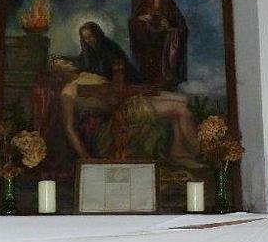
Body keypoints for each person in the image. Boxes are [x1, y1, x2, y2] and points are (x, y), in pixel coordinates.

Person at [48, 56, 198, 164]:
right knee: (181, 109)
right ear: (57, 73)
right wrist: (85, 157)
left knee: (183, 99)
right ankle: (197, 153)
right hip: (123, 111)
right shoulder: (68, 92)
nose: (66, 63)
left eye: (64, 61)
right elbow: (69, 127)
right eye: (59, 64)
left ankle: (178, 151)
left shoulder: (85, 75)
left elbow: (117, 87)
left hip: (130, 99)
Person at [129, 0, 188, 90]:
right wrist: (140, 19)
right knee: (148, 78)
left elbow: (183, 29)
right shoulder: (144, 6)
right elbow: (133, 23)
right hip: (147, 49)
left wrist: (169, 27)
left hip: (165, 49)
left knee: (163, 80)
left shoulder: (171, 7)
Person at [76, 21, 140, 82]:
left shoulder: (109, 46)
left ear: (97, 34)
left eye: (90, 36)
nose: (88, 40)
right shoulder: (88, 49)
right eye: (85, 38)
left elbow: (107, 70)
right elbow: (82, 62)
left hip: (126, 80)